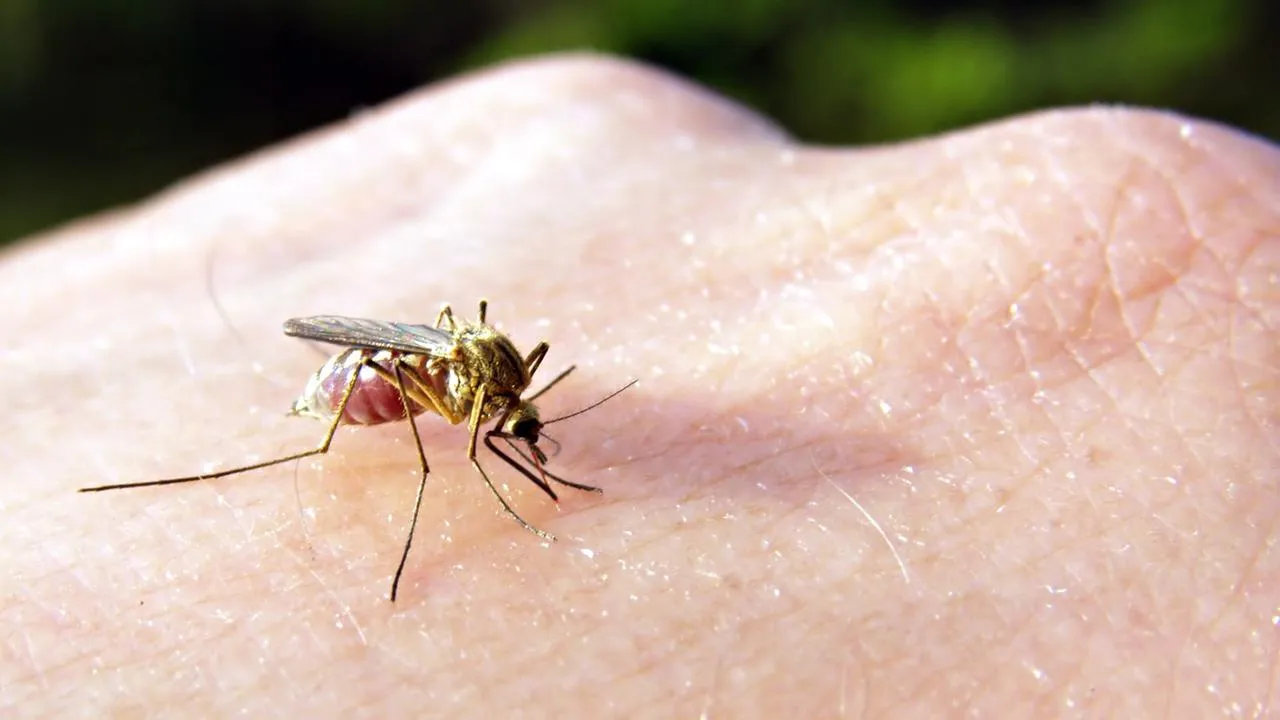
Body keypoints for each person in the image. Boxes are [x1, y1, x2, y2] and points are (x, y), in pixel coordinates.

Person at [5, 55, 1276, 716]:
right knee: (405, 428)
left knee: (476, 396)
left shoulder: (510, 390)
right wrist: (464, 442)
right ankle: (265, 462)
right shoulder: (455, 388)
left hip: (438, 356)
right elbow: (456, 392)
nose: (520, 433)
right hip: (372, 365)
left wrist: (521, 445)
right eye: (523, 431)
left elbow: (502, 400)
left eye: (521, 428)